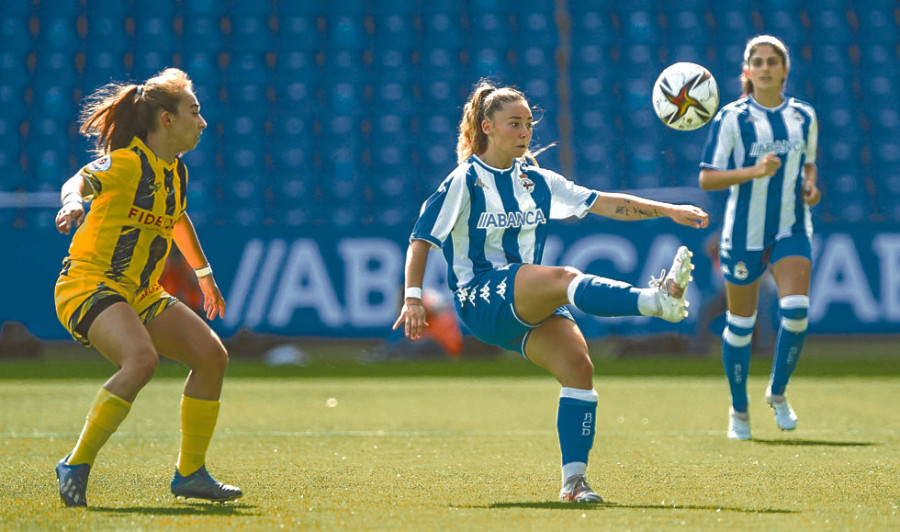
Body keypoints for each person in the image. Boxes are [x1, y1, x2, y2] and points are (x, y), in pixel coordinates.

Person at [393, 79, 709, 503]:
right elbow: (421, 240)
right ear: (487, 127)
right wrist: (413, 298)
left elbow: (604, 202)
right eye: (514, 124)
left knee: (579, 368)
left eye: (528, 124)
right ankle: (657, 301)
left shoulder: (537, 181)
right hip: (480, 297)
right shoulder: (465, 180)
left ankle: (574, 483)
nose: (524, 132)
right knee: (561, 280)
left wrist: (668, 210)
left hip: (521, 306)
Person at [53, 68, 242, 506]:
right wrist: (71, 203)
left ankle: (190, 474)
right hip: (89, 284)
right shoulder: (127, 163)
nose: (203, 121)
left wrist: (204, 273)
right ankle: (75, 463)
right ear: (166, 119)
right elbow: (77, 181)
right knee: (141, 359)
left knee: (212, 356)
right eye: (194, 111)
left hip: (140, 292)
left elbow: (176, 218)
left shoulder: (175, 172)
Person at [698, 35, 820, 440]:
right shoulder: (732, 118)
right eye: (758, 62)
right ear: (747, 71)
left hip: (791, 225)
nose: (766, 68)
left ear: (785, 69)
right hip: (742, 231)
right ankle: (739, 410)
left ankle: (778, 391)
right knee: (741, 322)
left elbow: (809, 168)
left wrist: (811, 189)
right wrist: (753, 171)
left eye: (773, 61)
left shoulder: (804, 116)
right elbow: (707, 177)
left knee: (797, 310)